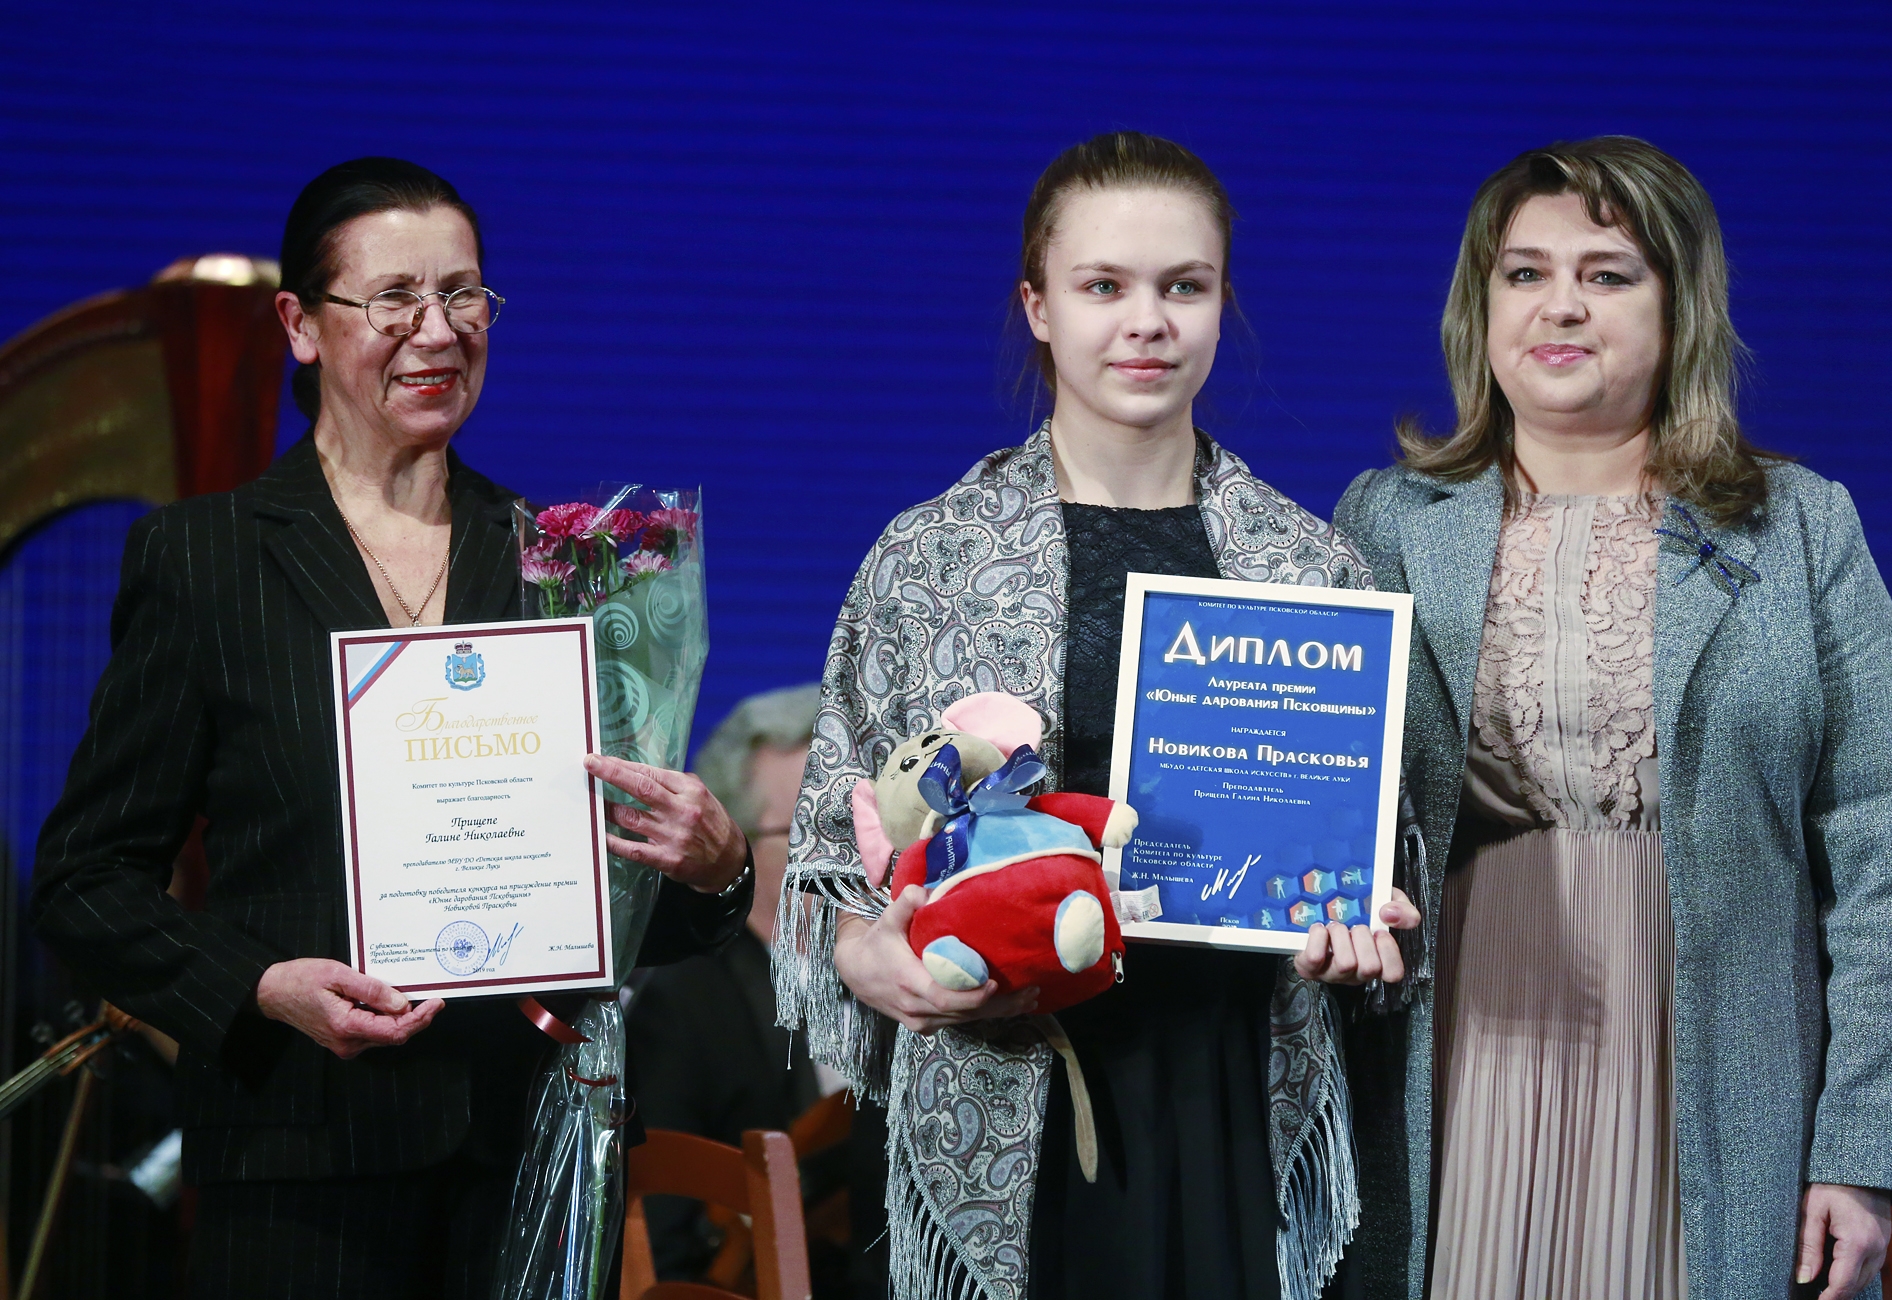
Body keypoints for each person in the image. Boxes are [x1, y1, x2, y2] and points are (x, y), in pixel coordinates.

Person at [30, 157, 753, 1300]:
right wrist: (260, 984)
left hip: (522, 1152)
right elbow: (85, 881)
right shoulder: (205, 560)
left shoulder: (562, 562)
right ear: (300, 326)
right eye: (395, 298)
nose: (439, 330)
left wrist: (713, 871)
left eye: (463, 295)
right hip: (297, 1158)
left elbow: (604, 912)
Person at [773, 131, 1422, 1300]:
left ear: (1223, 304)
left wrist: (1361, 929)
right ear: (1038, 306)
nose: (1147, 323)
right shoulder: (930, 561)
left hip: (1229, 1078)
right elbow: (829, 865)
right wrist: (874, 960)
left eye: (1185, 286)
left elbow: (1384, 864)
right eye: (1104, 286)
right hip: (1006, 1070)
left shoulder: (1311, 566)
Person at [1333, 136, 1892, 1300]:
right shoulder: (1386, 522)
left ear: (1678, 307)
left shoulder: (1801, 529)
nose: (1561, 305)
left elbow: (1882, 865)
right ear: (1481, 307)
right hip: (1461, 1050)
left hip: (1720, 1075)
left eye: (1607, 274)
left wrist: (1861, 1151)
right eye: (1525, 273)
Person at [625, 683, 864, 1296]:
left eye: (857, 829)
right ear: (734, 848)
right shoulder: (681, 1006)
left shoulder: (915, 974)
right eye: (811, 832)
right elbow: (664, 1245)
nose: (849, 859)